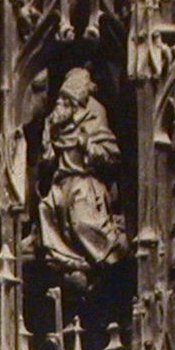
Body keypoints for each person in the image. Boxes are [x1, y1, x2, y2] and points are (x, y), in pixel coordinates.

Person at [36, 68, 128, 283]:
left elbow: (111, 156)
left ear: (74, 103)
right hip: (61, 182)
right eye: (59, 100)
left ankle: (108, 250)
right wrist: (47, 137)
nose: (59, 105)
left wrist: (88, 145)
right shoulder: (56, 127)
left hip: (84, 182)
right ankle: (64, 258)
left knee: (80, 220)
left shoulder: (94, 121)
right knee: (46, 207)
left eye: (64, 101)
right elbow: (47, 162)